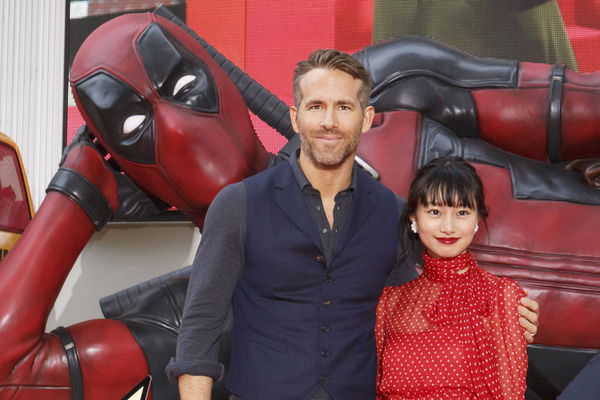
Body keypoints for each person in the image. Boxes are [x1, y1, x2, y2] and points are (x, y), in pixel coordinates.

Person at [166, 50, 539, 400]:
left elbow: (426, 303)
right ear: (296, 118)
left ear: (366, 118)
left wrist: (501, 312)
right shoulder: (239, 204)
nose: (329, 121)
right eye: (316, 107)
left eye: (344, 107)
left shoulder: (393, 213)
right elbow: (200, 330)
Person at [376, 156, 528, 399]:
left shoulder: (501, 295)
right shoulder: (389, 302)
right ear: (414, 218)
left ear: (477, 219)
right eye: (435, 211)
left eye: (462, 212)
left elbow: (511, 393)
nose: (448, 227)